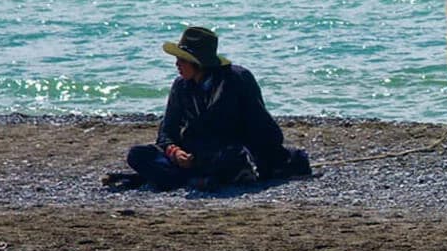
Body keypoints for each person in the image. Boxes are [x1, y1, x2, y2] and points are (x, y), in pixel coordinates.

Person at [105, 26, 310, 191]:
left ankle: (179, 179)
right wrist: (175, 152)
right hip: (192, 156)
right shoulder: (180, 86)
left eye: (182, 59)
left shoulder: (236, 80)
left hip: (229, 151)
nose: (177, 63)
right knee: (137, 154)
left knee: (234, 158)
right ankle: (193, 179)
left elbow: (260, 127)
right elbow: (167, 131)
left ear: (199, 62)